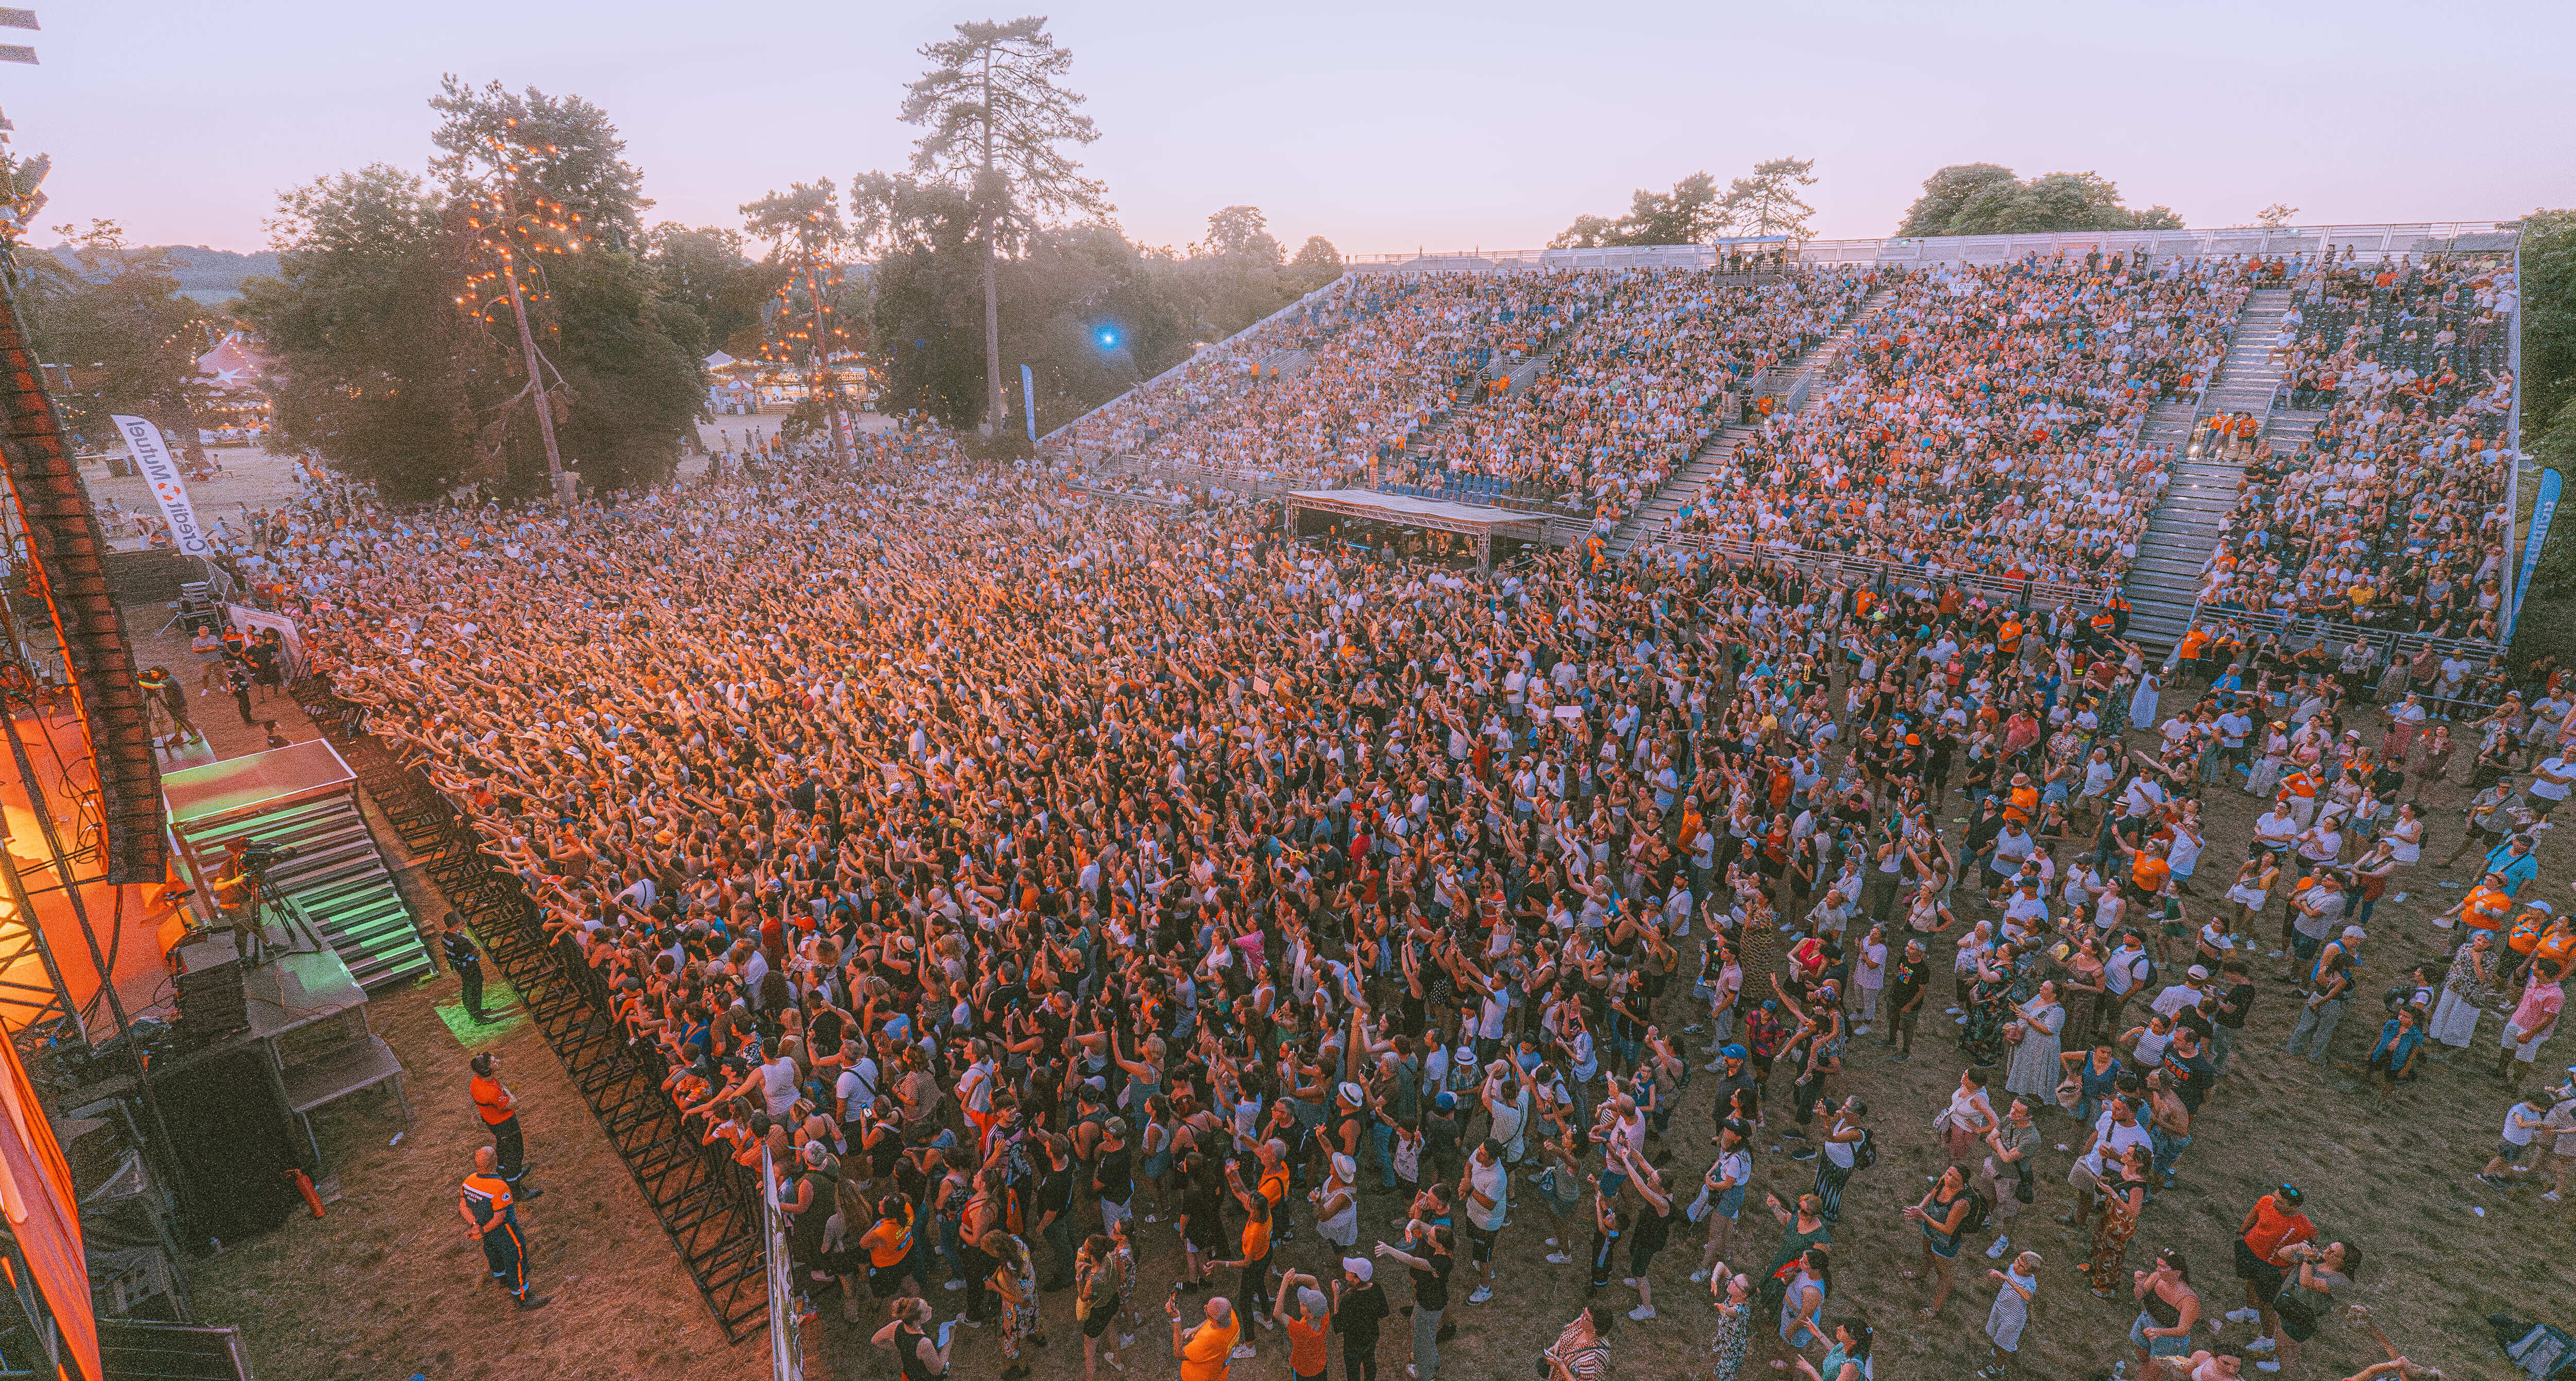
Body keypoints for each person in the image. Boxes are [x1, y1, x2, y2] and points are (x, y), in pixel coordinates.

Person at [457, 1145, 550, 1310]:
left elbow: (463, 1206)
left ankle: (501, 1276)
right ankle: (522, 1296)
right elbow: (499, 1217)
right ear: (495, 1162)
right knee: (516, 1257)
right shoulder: (500, 1188)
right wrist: (483, 1230)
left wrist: (476, 1226)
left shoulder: (469, 1181)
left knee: (492, 1251)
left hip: (485, 1229)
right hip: (504, 1231)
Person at [2256, 1239, 2356, 1377]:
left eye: (2333, 1253)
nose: (2327, 1251)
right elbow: (2282, 1254)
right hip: (2288, 1307)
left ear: (2343, 1263)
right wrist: (2299, 1247)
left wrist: (2308, 1260)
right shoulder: (2318, 1258)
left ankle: (2288, 1375)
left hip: (2301, 1318)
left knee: (2289, 1354)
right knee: (2281, 1340)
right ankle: (2277, 1362)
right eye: (2329, 1247)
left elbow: (2306, 1282)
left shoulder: (2342, 1282)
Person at [1374, 1221, 1452, 1381]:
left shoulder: (1437, 1263)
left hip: (1431, 1305)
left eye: (1430, 1236)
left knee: (1421, 1343)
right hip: (1426, 1300)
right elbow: (1417, 1223)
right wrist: (1409, 1229)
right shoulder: (1442, 1243)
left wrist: (1388, 1249)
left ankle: (1426, 1375)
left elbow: (1411, 1260)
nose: (1427, 1235)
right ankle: (1434, 1361)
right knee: (1419, 1327)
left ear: (1439, 1245)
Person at [1902, 1162, 1974, 1317]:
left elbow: (1948, 1230)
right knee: (1926, 1254)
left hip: (1946, 1241)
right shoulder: (1945, 1180)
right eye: (1948, 1173)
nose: (1947, 1178)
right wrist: (1921, 1207)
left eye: (1953, 1177)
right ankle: (1922, 1274)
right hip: (1930, 1228)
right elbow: (1932, 1193)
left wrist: (1924, 1216)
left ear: (1962, 1184)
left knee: (1944, 1274)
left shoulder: (1961, 1203)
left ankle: (1935, 1308)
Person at [468, 1052, 540, 1197]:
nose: (498, 1061)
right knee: (514, 1153)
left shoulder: (476, 1082)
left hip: (494, 1123)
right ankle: (516, 1190)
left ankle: (509, 1172)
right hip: (505, 1125)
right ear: (487, 1070)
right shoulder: (491, 1092)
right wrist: (508, 1093)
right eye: (494, 1062)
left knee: (504, 1150)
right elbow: (513, 1103)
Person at [2131, 1247, 2203, 1377]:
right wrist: (2139, 1283)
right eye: (2159, 1265)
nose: (2159, 1270)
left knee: (2154, 1373)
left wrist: (2158, 1332)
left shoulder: (2189, 1300)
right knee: (2143, 1362)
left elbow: (2183, 1331)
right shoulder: (2157, 1277)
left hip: (2169, 1339)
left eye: (2164, 1267)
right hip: (2146, 1322)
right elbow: (2140, 1296)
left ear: (2177, 1272)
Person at [1982, 1250, 2040, 1378]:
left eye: (2021, 1266)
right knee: (1994, 1332)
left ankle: (1998, 1367)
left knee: (2005, 1345)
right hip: (2000, 1307)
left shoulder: (2030, 1283)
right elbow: (2006, 1284)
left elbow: (2027, 1297)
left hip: (2013, 1318)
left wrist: (2006, 1279)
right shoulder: (2012, 1268)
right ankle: (1997, 1350)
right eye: (2017, 1261)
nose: (2016, 1265)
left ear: (2029, 1272)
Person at [1076, 1234, 1124, 1381]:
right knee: (1111, 1327)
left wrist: (1078, 1276)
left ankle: (1091, 1379)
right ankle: (1118, 1360)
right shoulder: (1109, 1257)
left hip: (1099, 1312)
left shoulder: (1094, 1280)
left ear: (1091, 1254)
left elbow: (1083, 1297)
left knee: (1089, 1349)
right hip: (1112, 1301)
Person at [873, 1295, 957, 1379]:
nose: (930, 1309)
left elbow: (876, 1340)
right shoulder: (924, 1343)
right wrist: (950, 1341)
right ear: (918, 1320)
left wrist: (897, 1348)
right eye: (926, 1311)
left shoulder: (897, 1325)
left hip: (908, 1376)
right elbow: (937, 1370)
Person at [1333, 1256, 1389, 1381]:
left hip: (1353, 1344)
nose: (1346, 1271)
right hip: (1372, 1336)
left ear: (1357, 1280)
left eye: (1350, 1271)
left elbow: (1338, 1327)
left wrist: (1336, 1299)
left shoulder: (1348, 1301)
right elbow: (1385, 1312)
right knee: (1370, 1361)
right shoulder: (1376, 1288)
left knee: (1353, 1372)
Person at [1275, 1268, 1332, 1381]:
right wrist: (1296, 1277)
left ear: (1311, 1314)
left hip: (1303, 1372)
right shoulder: (1325, 1314)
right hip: (1321, 1367)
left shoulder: (1300, 1330)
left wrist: (1285, 1282)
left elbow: (1277, 1313)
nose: (1300, 1302)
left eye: (1303, 1304)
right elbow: (1314, 1282)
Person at [1170, 1294, 1243, 1381]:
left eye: (1207, 1310)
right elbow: (1213, 1319)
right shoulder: (1231, 1316)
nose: (1205, 1306)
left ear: (1214, 1321)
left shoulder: (1207, 1340)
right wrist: (1196, 1330)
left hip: (1199, 1377)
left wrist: (1176, 1319)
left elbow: (1179, 1354)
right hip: (1220, 1374)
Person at [1539, 1303, 1615, 1381]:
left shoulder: (1594, 1360)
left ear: (1595, 1328)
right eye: (1584, 1312)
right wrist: (1555, 1348)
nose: (1582, 1316)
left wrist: (1561, 1366)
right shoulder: (1582, 1324)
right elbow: (1566, 1333)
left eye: (1586, 1317)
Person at [1787, 1317, 1872, 1381]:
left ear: (1854, 1341)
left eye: (1844, 1330)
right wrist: (1819, 1334)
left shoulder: (1851, 1367)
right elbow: (1836, 1352)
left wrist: (1810, 1370)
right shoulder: (1849, 1346)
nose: (1839, 1328)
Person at [1707, 1269, 1754, 1381]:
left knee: (1724, 1372)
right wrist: (1714, 1279)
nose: (1731, 1282)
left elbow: (1734, 1313)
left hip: (1732, 1346)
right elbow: (1721, 1266)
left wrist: (1725, 1310)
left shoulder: (1742, 1309)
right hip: (1724, 1336)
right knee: (1717, 1356)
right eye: (1733, 1280)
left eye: (1735, 1283)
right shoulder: (1734, 1290)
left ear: (1743, 1295)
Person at [442, 913, 489, 1023]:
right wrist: (476, 957)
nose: (463, 924)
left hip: (460, 967)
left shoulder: (445, 937)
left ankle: (473, 1010)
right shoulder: (460, 941)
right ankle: (478, 1017)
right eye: (461, 923)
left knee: (468, 988)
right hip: (470, 966)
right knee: (475, 989)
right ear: (455, 925)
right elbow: (476, 952)